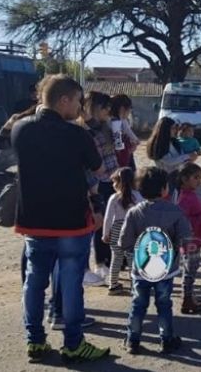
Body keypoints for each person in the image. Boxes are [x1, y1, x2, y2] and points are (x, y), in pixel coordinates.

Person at [11, 74, 110, 363]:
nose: (80, 107)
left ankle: (36, 341)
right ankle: (73, 343)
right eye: (78, 101)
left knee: (34, 280)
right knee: (70, 282)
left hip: (33, 220)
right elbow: (100, 169)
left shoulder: (20, 129)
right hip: (70, 221)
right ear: (63, 100)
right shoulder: (77, 134)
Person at [118, 167, 192, 355]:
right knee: (164, 304)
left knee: (138, 304)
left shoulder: (134, 212)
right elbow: (186, 237)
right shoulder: (175, 211)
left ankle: (132, 340)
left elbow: (124, 242)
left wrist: (135, 253)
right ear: (164, 189)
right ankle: (166, 339)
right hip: (166, 269)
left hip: (140, 268)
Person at [81, 91, 119, 278]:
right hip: (97, 181)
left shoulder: (106, 126)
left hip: (111, 177)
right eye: (105, 107)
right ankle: (96, 263)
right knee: (97, 222)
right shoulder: (86, 129)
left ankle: (105, 260)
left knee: (108, 222)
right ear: (94, 107)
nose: (108, 111)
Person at [176, 163, 201, 314]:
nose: (199, 181)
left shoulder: (188, 195)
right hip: (190, 240)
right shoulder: (185, 198)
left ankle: (189, 295)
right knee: (190, 268)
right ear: (184, 179)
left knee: (191, 267)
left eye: (200, 177)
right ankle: (187, 299)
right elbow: (184, 220)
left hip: (194, 239)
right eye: (196, 177)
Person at [103, 167, 143, 296]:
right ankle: (134, 285)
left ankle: (113, 284)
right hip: (132, 230)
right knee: (132, 258)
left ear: (119, 182)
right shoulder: (138, 196)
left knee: (116, 257)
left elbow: (108, 217)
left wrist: (105, 233)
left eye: (114, 182)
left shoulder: (114, 198)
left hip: (116, 229)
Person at [147, 117, 198, 200]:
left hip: (179, 176)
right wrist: (187, 156)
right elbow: (169, 161)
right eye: (173, 128)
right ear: (165, 129)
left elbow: (181, 156)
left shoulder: (174, 142)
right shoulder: (158, 145)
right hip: (167, 178)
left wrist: (190, 159)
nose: (176, 130)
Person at [109, 94, 140, 169]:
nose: (130, 112)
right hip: (122, 161)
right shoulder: (115, 123)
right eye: (129, 109)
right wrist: (129, 150)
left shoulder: (119, 120)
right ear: (122, 109)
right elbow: (118, 145)